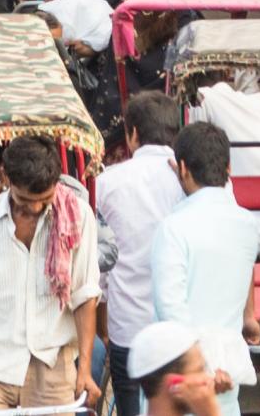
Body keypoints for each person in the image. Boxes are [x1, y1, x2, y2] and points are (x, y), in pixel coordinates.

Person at [0, 133, 103, 412]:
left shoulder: (79, 216)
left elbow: (84, 295)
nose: (36, 208)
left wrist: (84, 370)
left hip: (53, 363)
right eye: (25, 201)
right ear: (6, 178)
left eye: (45, 199)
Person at [150, 122, 260, 416]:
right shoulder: (247, 225)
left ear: (182, 168)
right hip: (226, 370)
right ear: (228, 168)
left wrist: (202, 367)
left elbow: (170, 309)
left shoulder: (173, 227)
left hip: (184, 376)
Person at [100, 94, 189, 416]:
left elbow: (101, 265)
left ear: (132, 133)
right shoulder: (196, 179)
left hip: (128, 326)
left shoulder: (107, 182)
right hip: (183, 327)